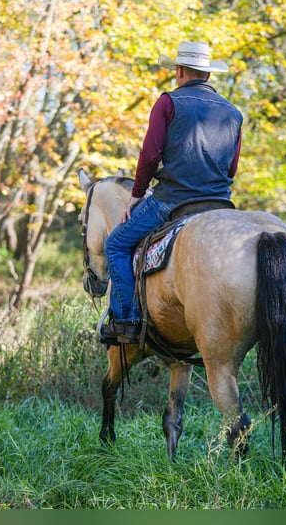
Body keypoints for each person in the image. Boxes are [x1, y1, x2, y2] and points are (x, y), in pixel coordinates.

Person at [101, 40, 243, 344]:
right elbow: (231, 169)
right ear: (207, 74)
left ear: (179, 70)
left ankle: (125, 321)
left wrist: (137, 193)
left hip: (173, 200)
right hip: (220, 205)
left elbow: (150, 155)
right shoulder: (233, 113)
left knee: (116, 245)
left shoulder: (168, 102)